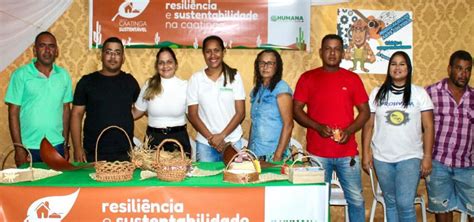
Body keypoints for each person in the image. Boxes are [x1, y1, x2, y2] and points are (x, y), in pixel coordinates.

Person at [293, 34, 369, 222]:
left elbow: (365, 112)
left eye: (336, 49)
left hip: (347, 153)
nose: (332, 53)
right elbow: (296, 110)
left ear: (343, 53)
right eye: (328, 48)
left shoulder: (352, 79)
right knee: (317, 200)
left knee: (357, 200)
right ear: (321, 52)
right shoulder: (308, 78)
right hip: (317, 153)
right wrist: (317, 127)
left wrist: (349, 131)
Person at [362, 51, 434, 222]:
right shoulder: (377, 93)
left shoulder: (419, 93)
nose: (397, 67)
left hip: (410, 157)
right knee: (391, 202)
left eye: (402, 64)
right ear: (389, 68)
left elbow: (429, 126)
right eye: (393, 63)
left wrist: (427, 157)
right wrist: (366, 153)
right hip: (382, 158)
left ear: (408, 69)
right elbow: (368, 124)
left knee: (404, 203)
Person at [5, 31, 73, 166]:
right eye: (42, 46)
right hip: (28, 147)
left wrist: (65, 143)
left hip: (56, 146)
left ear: (57, 51)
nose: (47, 50)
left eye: (51, 46)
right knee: (30, 187)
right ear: (35, 50)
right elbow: (13, 112)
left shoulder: (63, 75)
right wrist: (19, 149)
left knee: (56, 186)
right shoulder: (20, 75)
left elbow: (66, 110)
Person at [71, 37, 140, 162]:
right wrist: (77, 148)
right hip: (93, 152)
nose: (113, 57)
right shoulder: (86, 82)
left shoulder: (130, 81)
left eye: (117, 53)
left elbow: (142, 108)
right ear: (101, 56)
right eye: (108, 52)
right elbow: (76, 114)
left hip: (125, 153)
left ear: (123, 58)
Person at [425, 50, 473, 222]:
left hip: (467, 165)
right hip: (438, 163)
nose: (463, 74)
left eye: (468, 70)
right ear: (449, 69)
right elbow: (420, 127)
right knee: (443, 212)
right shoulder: (431, 93)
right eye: (459, 68)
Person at [187, 35, 246, 162]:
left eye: (216, 50)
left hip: (233, 142)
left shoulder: (234, 76)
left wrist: (222, 136)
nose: (212, 55)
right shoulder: (196, 79)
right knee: (206, 181)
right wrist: (211, 138)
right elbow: (192, 115)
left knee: (235, 179)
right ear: (203, 54)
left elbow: (240, 113)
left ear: (223, 52)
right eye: (208, 51)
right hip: (205, 144)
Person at [132, 47, 191, 156]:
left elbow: (193, 115)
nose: (165, 66)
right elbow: (136, 113)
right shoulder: (149, 85)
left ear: (176, 64)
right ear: (156, 66)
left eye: (169, 62)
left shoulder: (185, 86)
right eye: (161, 63)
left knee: (178, 173)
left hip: (179, 140)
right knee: (151, 173)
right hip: (153, 140)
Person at [248, 49, 293, 162]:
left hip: (273, 154)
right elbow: (254, 123)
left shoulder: (281, 88)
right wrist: (249, 151)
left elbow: (288, 124)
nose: (265, 66)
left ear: (277, 66)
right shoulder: (257, 90)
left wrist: (278, 155)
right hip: (256, 153)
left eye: (270, 63)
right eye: (261, 63)